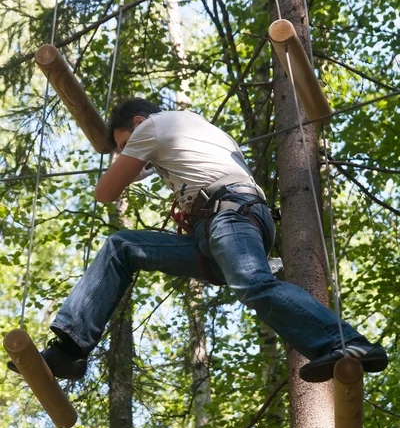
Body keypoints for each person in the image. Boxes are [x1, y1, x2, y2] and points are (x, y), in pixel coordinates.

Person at [8, 98, 388, 383]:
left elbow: (106, 191)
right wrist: (130, 155)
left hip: (229, 216)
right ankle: (69, 350)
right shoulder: (193, 131)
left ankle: (344, 342)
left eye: (126, 143)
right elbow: (140, 172)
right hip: (224, 226)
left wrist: (122, 155)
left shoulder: (153, 127)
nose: (127, 152)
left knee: (254, 284)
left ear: (139, 123)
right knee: (121, 247)